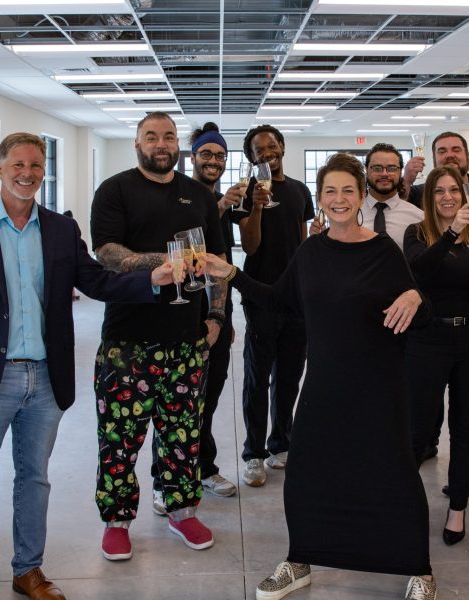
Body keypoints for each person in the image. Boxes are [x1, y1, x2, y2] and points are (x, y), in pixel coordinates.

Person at [0, 132, 173, 600]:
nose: (27, 174)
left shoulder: (58, 229)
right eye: (18, 164)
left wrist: (148, 280)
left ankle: (27, 570)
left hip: (45, 378)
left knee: (34, 480)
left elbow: (94, 280)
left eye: (36, 165)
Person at [203, 153, 436, 600]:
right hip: (325, 383)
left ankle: (418, 569)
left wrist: (414, 296)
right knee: (307, 475)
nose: (340, 198)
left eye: (349, 189)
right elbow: (277, 301)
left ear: (362, 195)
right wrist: (230, 273)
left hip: (379, 385)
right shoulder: (311, 251)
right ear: (321, 199)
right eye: (331, 190)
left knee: (395, 475)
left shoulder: (382, 250)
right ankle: (299, 560)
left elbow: (421, 312)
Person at [90, 112, 226, 561]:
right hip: (127, 341)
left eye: (169, 136)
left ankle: (182, 510)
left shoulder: (198, 195)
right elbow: (108, 253)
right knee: (120, 438)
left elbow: (218, 261)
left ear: (178, 146)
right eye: (152, 135)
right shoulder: (115, 190)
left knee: (183, 435)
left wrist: (217, 317)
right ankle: (117, 520)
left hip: (187, 340)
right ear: (137, 142)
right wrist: (163, 265)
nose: (161, 143)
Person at [403, 166, 469, 546]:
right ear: (429, 197)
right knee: (419, 429)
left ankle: (457, 509)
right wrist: (453, 230)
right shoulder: (417, 234)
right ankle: (404, 504)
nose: (447, 197)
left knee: (465, 428)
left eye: (454, 190)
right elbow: (420, 272)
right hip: (428, 340)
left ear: (464, 193)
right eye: (439, 191)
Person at [234, 124, 314, 487]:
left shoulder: (300, 190)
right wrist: (258, 208)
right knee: (257, 378)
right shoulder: (245, 194)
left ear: (282, 147)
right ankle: (253, 454)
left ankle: (281, 442)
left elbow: (301, 243)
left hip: (295, 299)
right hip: (260, 295)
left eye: (272, 146)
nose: (267, 153)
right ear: (251, 158)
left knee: (289, 376)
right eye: (259, 150)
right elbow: (249, 247)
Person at [188, 122, 245, 498]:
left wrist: (222, 317)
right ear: (192, 157)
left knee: (209, 398)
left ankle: (204, 468)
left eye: (220, 155)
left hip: (215, 317)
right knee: (180, 402)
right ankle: (168, 478)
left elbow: (222, 264)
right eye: (207, 153)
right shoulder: (181, 198)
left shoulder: (220, 205)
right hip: (180, 313)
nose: (214, 160)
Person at [404, 131, 469, 215]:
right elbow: (397, 209)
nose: (449, 155)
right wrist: (406, 180)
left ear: (467, 155)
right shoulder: (419, 193)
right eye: (442, 151)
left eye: (456, 150)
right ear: (434, 159)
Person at [360, 143, 423, 249]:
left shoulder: (418, 218)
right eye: (377, 168)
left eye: (392, 168)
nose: (385, 174)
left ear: (400, 172)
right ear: (367, 170)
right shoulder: (351, 215)